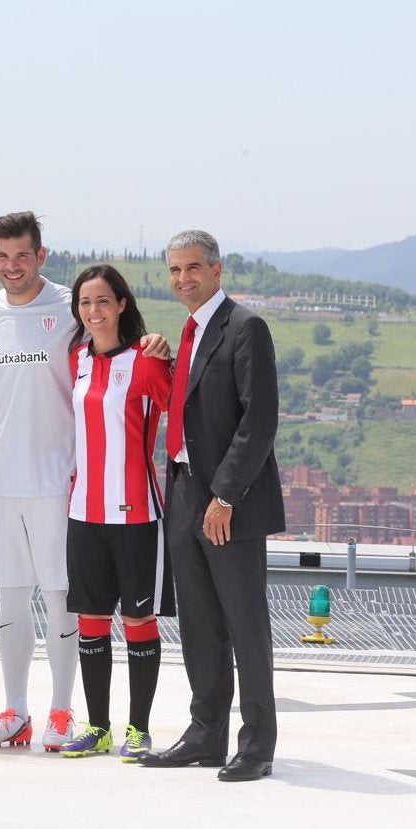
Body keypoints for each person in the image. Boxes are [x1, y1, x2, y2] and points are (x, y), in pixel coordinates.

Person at [0, 211, 167, 751]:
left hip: (61, 482)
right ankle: (15, 712)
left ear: (41, 255)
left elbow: (115, 347)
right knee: (9, 601)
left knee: (65, 603)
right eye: (3, 256)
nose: (13, 266)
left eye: (22, 255)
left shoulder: (71, 308)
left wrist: (155, 346)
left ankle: (61, 712)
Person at [138, 230, 283, 782]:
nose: (183, 279)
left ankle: (257, 746)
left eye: (193, 268)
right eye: (174, 270)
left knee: (246, 625)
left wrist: (225, 496)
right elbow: (196, 404)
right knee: (199, 623)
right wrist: (167, 361)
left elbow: (259, 420)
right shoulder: (191, 332)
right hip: (183, 493)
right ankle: (205, 735)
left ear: (217, 270)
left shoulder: (246, 328)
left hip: (230, 500)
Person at [56, 265, 174, 761]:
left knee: (139, 619)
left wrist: (165, 350)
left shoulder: (146, 361)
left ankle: (138, 729)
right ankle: (98, 727)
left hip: (137, 514)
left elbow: (185, 411)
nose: (93, 311)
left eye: (103, 301)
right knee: (91, 620)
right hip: (84, 512)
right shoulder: (75, 359)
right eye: (85, 303)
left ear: (122, 304)